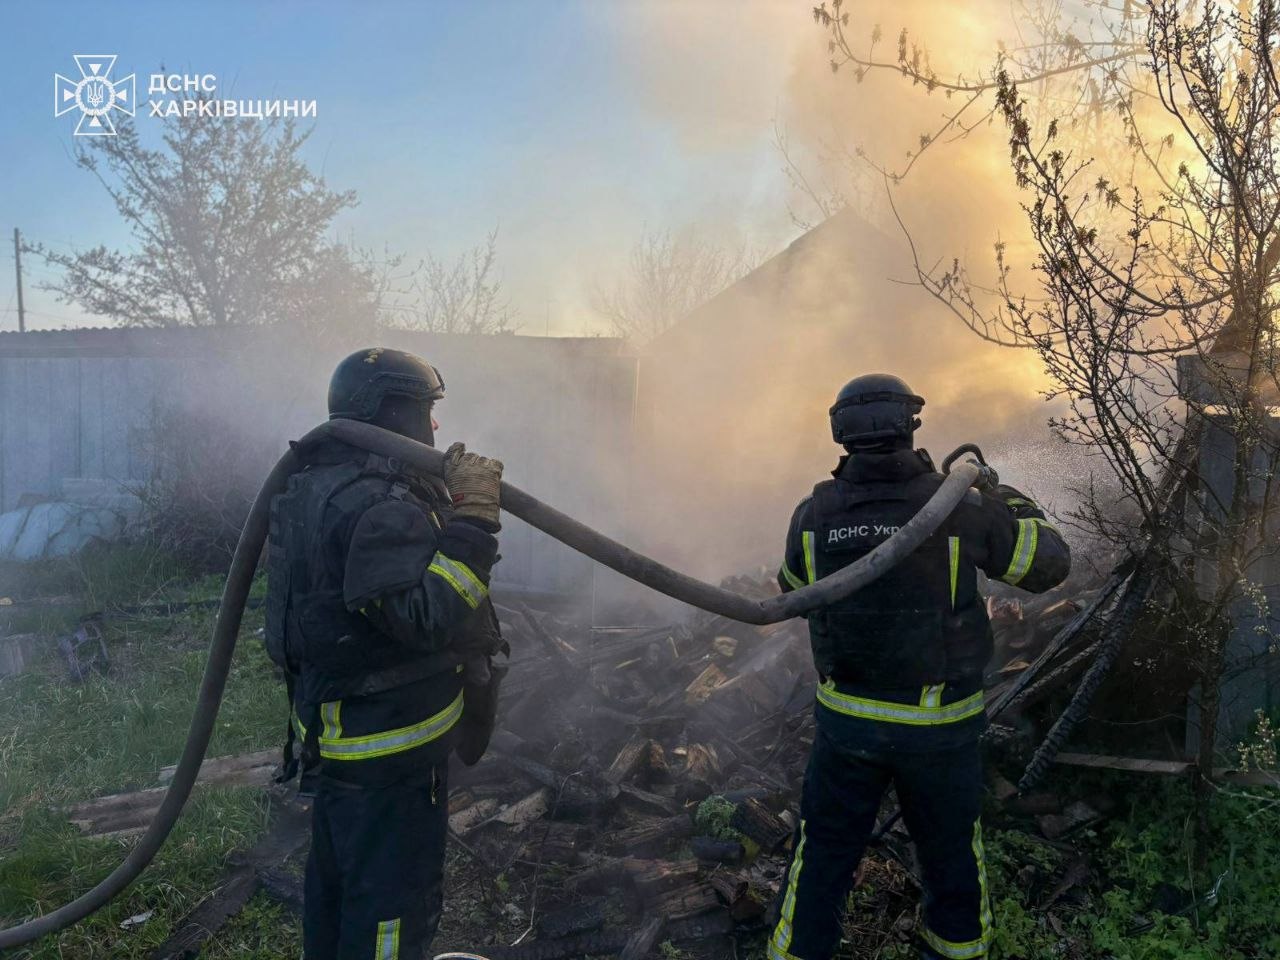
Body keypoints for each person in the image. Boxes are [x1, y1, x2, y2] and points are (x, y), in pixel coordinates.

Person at [768, 374, 1070, 960]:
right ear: (909, 424)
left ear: (840, 433)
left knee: (823, 853)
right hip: (939, 731)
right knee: (951, 857)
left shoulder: (811, 515)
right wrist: (1007, 498)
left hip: (847, 729)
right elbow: (1048, 565)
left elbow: (794, 590)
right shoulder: (959, 507)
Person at [264, 347, 507, 959]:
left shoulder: (321, 485)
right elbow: (427, 616)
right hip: (390, 757)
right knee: (391, 911)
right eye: (426, 410)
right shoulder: (379, 505)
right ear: (392, 412)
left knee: (339, 893)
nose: (434, 425)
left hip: (344, 746)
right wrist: (474, 525)